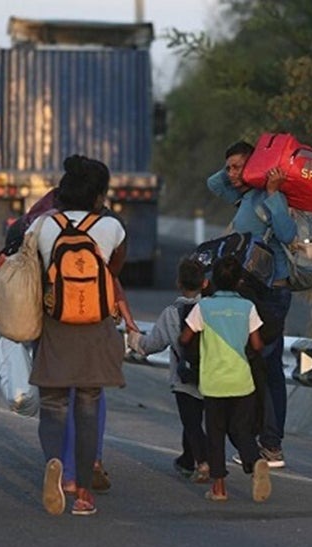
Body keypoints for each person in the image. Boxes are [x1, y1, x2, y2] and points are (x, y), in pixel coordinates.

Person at [26, 155, 128, 516]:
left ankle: (57, 469)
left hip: (55, 324)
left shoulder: (41, 226)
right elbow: (113, 273)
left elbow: (32, 273)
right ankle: (83, 491)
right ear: (99, 195)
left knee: (54, 405)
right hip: (96, 327)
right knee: (87, 404)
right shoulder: (112, 228)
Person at [206, 141, 297, 468]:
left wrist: (271, 190)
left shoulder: (267, 198)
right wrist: (246, 170)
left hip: (272, 290)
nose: (230, 174)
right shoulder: (245, 195)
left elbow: (287, 234)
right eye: (229, 167)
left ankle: (272, 444)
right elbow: (213, 184)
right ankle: (261, 439)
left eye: (236, 167)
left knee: (269, 368)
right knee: (259, 365)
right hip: (252, 291)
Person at [179, 256, 272, 502]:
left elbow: (185, 337)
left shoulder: (204, 307)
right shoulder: (247, 307)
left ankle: (219, 488)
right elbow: (256, 343)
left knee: (216, 433)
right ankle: (255, 462)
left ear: (213, 282)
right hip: (242, 380)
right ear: (240, 280)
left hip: (213, 381)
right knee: (241, 430)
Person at [129, 258, 211, 483]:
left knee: (191, 422)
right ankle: (187, 460)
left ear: (178, 283)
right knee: (201, 422)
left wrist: (134, 338)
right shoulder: (212, 309)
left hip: (184, 377)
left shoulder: (171, 313)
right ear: (205, 283)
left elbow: (152, 345)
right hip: (213, 375)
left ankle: (203, 461)